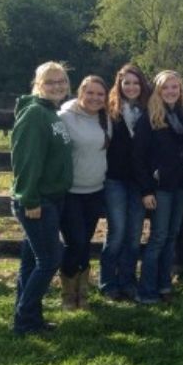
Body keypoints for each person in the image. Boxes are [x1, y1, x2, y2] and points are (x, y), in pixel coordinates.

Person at [10, 61, 73, 336]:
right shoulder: (35, 114)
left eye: (61, 81)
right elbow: (26, 161)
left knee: (32, 261)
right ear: (38, 85)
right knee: (50, 260)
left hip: (51, 198)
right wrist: (30, 199)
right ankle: (25, 320)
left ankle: (28, 318)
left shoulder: (51, 113)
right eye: (50, 82)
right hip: (39, 201)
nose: (57, 86)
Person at [133, 70, 183, 304]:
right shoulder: (148, 118)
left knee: (172, 236)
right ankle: (147, 289)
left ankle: (164, 284)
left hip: (181, 185)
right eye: (165, 87)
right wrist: (146, 189)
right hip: (160, 187)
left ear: (180, 90)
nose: (170, 91)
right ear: (158, 91)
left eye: (174, 87)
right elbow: (138, 158)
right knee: (158, 237)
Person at [58, 75, 111, 310]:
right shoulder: (65, 117)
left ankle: (82, 292)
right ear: (81, 92)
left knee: (84, 242)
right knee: (75, 242)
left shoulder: (106, 118)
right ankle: (68, 294)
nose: (95, 98)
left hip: (95, 190)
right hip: (70, 191)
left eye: (100, 94)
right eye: (90, 93)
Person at [100, 64, 152, 301]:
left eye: (135, 83)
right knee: (117, 233)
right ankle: (108, 282)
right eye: (126, 83)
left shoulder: (150, 111)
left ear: (142, 85)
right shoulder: (109, 111)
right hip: (115, 180)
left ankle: (128, 281)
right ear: (119, 86)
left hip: (140, 182)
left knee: (134, 235)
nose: (131, 87)